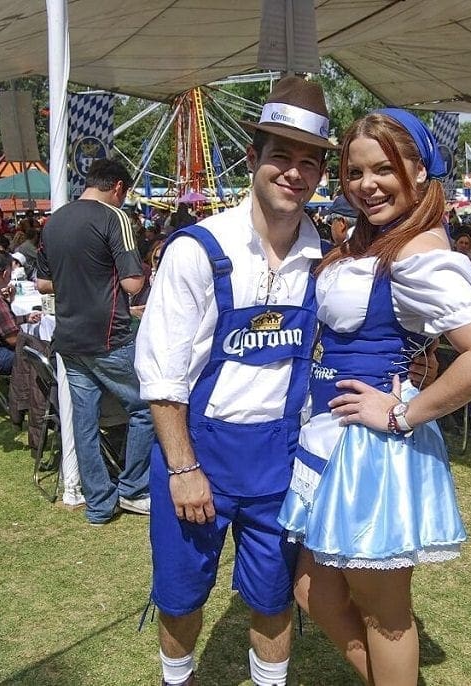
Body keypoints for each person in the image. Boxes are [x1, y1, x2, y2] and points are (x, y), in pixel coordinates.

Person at [278, 109, 471, 685]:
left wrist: (404, 412)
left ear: (419, 168)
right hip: (330, 436)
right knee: (313, 592)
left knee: (384, 614)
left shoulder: (419, 252)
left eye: (384, 168)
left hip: (371, 453)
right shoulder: (376, 237)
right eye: (355, 172)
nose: (366, 184)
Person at [135, 76, 335, 686]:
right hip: (200, 454)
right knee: (180, 594)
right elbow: (163, 375)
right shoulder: (199, 250)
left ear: (321, 174)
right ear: (253, 159)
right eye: (280, 157)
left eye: (308, 162)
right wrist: (182, 467)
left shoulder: (320, 257)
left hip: (279, 460)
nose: (293, 174)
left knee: (273, 597)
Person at [36, 158, 153, 526]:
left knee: (83, 422)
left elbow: (42, 283)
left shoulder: (54, 220)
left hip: (69, 338)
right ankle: (133, 488)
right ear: (118, 187)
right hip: (109, 335)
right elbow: (133, 283)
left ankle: (99, 504)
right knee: (146, 408)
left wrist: (81, 280)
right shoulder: (113, 217)